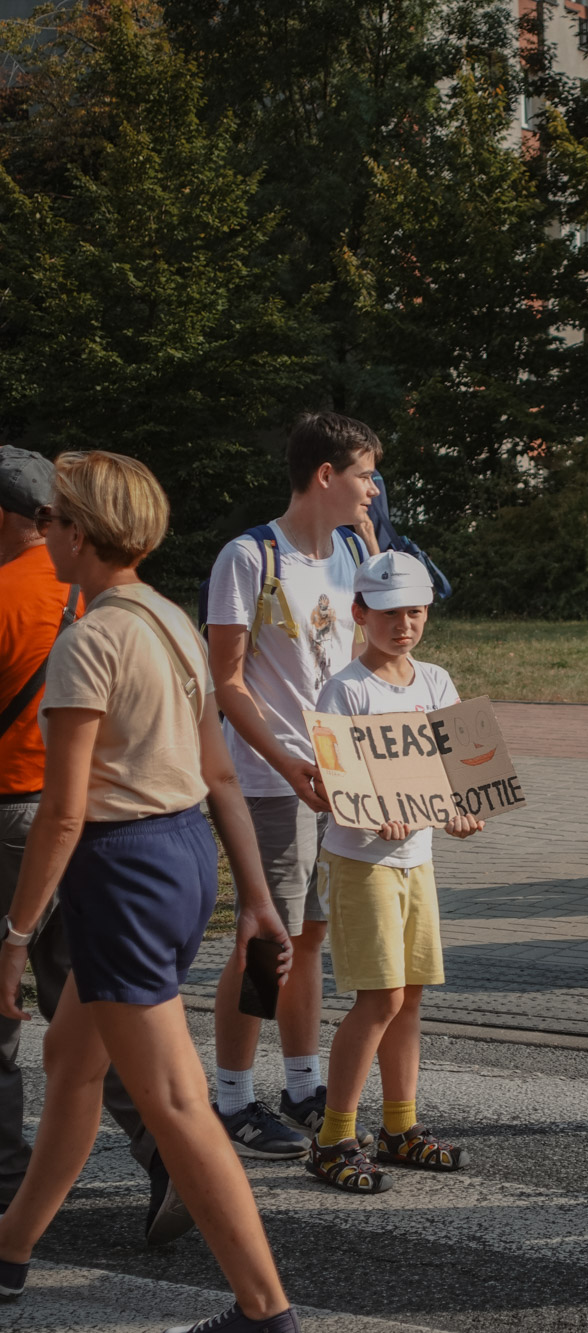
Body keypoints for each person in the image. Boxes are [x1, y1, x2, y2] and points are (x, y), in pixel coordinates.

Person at [0, 450, 299, 1333]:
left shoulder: (89, 640)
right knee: (72, 1062)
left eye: (54, 519)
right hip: (180, 854)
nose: (44, 531)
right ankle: (10, 1248)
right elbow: (219, 774)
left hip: (121, 869)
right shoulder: (169, 617)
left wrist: (14, 936)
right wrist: (254, 896)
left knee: (174, 1102)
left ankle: (266, 1313)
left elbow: (62, 813)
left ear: (80, 533)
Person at [0, 445, 190, 1245]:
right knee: (87, 1017)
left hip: (29, 820)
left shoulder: (18, 598)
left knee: (10, 1013)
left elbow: (60, 805)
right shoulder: (140, 606)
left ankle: (9, 1185)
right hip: (123, 834)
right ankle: (165, 1153)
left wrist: (14, 933)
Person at [206, 411, 381, 1158]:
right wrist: (285, 762)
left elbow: (372, 655)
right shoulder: (249, 556)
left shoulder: (353, 551)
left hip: (336, 777)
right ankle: (231, 1098)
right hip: (271, 779)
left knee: (310, 936)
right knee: (264, 938)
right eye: (365, 475)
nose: (374, 489)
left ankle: (303, 1086)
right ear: (325, 475)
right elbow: (226, 681)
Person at [305, 551, 482, 1193]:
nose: (403, 625)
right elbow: (332, 785)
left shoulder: (435, 680)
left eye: (414, 612)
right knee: (378, 998)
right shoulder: (346, 689)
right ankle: (333, 1139)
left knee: (409, 996)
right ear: (359, 614)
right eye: (388, 614)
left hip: (417, 860)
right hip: (361, 863)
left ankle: (399, 1128)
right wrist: (373, 811)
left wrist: (461, 809)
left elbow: (460, 767)